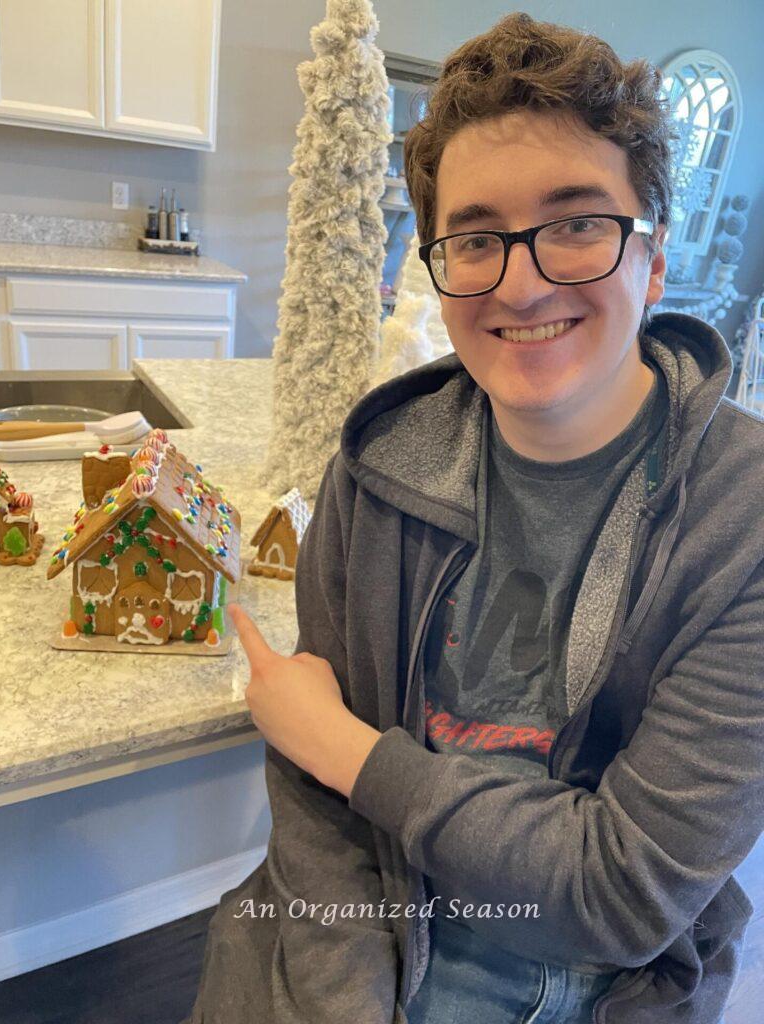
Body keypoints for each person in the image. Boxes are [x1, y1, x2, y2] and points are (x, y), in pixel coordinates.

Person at [186, 12, 764, 1024]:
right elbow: (323, 821)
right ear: (438, 262)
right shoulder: (378, 468)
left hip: (593, 981)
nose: (523, 279)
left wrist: (354, 751)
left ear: (654, 257)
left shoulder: (742, 518)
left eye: (578, 223)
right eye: (479, 237)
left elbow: (622, 892)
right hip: (362, 925)